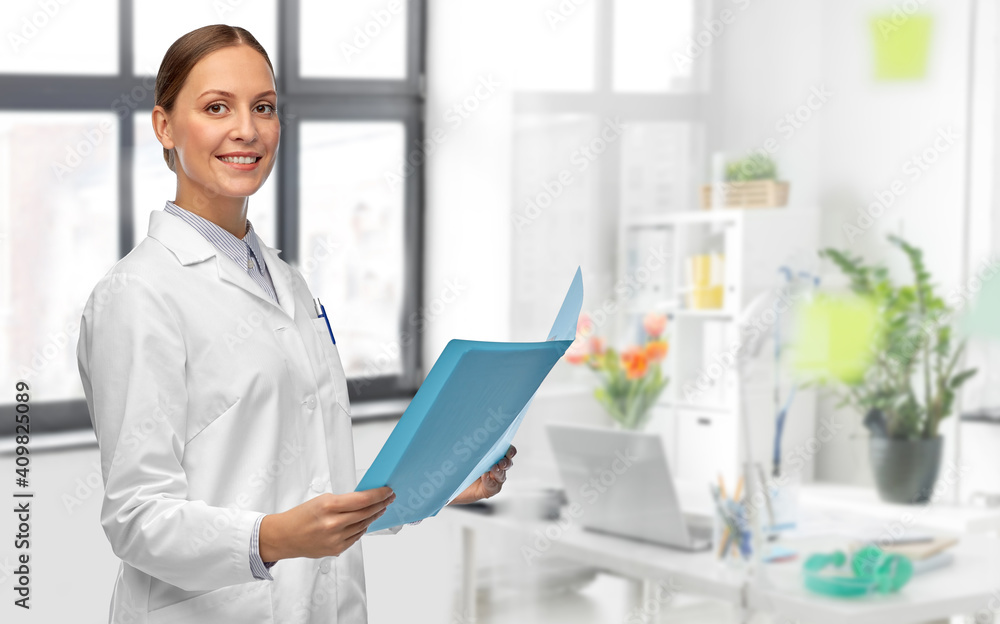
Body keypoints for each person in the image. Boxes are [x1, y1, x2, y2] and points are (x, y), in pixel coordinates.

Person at [75, 24, 515, 624]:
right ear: (164, 127)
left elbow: (311, 480)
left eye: (264, 108)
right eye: (215, 108)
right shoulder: (137, 294)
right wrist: (275, 539)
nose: (246, 130)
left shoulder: (285, 279)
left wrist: (432, 487)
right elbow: (136, 518)